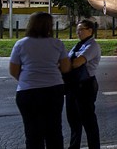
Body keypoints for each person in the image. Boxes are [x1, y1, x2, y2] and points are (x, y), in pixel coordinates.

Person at [9, 12, 71, 149]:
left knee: (32, 133)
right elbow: (66, 68)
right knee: (54, 131)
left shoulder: (21, 44)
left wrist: (27, 80)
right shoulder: (57, 44)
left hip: (28, 92)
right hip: (54, 90)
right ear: (49, 26)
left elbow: (13, 70)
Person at [65, 19, 102, 149]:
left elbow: (77, 62)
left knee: (88, 120)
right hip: (73, 85)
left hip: (86, 86)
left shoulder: (92, 46)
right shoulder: (79, 45)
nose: (78, 32)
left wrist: (64, 64)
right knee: (73, 120)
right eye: (77, 29)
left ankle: (94, 146)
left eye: (81, 29)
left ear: (90, 31)